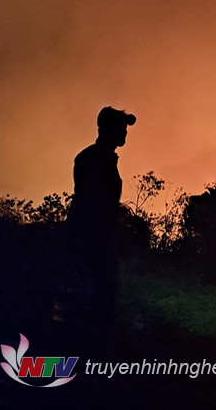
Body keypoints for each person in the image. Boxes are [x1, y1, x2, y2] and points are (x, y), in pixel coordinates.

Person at [67, 106, 136, 328]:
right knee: (96, 296)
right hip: (93, 238)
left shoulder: (95, 158)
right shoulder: (95, 159)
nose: (125, 132)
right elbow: (93, 201)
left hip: (97, 237)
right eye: (122, 128)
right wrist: (105, 234)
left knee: (97, 295)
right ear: (109, 129)